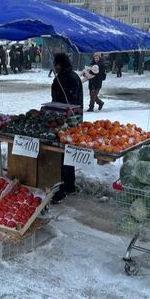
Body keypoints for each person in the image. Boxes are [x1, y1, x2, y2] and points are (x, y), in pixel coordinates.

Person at [51, 53, 82, 204]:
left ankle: (64, 187)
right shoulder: (70, 76)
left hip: (68, 122)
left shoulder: (68, 78)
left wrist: (61, 118)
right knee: (66, 154)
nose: (54, 67)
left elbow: (70, 102)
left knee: (63, 154)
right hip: (68, 121)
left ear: (59, 65)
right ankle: (69, 185)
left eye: (55, 64)